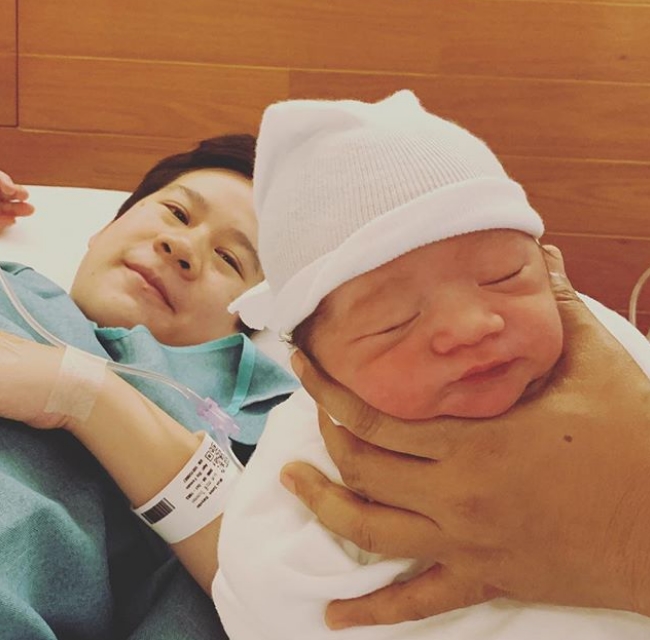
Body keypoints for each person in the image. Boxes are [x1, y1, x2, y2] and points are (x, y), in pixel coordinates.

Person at [210, 90, 650, 639]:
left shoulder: (604, 350)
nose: (471, 325)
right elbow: (266, 597)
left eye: (505, 275)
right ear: (316, 367)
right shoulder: (307, 473)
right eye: (393, 321)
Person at [0, 136, 297, 640]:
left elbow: (282, 600)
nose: (183, 248)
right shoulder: (13, 289)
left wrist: (80, 393)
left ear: (247, 322)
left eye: (229, 259)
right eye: (177, 213)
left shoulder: (247, 428)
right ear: (104, 230)